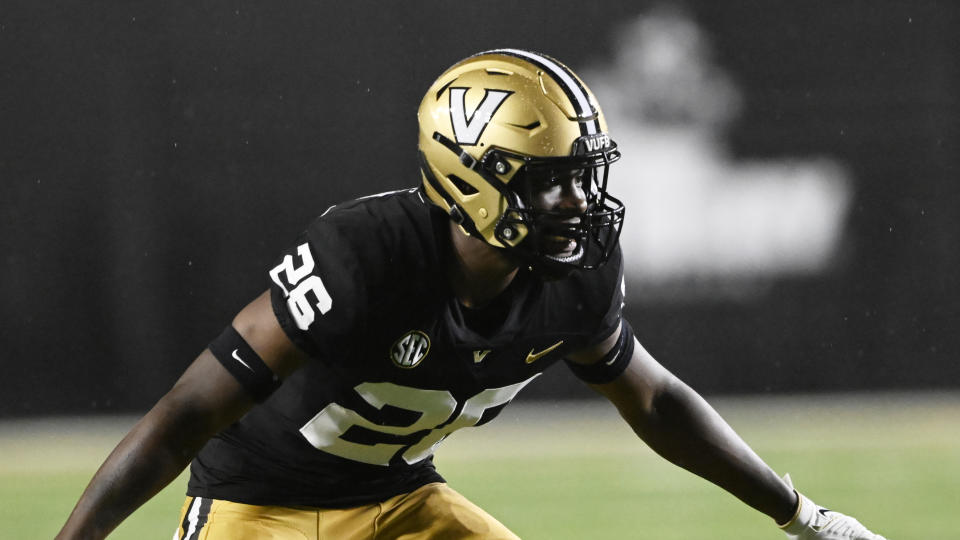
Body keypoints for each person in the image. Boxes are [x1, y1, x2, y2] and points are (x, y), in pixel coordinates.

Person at [56, 49, 887, 540]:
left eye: (584, 179)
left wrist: (801, 515)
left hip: (400, 498)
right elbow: (186, 414)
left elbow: (658, 403)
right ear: (470, 178)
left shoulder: (577, 278)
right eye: (551, 183)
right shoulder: (366, 256)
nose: (578, 205)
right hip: (259, 506)